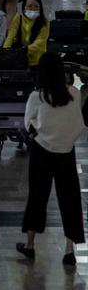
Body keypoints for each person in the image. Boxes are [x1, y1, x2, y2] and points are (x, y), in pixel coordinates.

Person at [17, 52, 86, 267]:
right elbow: (78, 120)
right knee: (70, 199)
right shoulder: (74, 94)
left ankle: (30, 245)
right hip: (67, 151)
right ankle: (69, 249)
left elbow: (28, 124)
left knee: (38, 197)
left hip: (42, 152)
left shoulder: (37, 97)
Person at [5, 0, 50, 68]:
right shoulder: (18, 18)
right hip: (20, 59)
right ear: (24, 8)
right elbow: (10, 37)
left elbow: (39, 42)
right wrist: (5, 51)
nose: (33, 9)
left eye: (36, 6)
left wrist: (22, 51)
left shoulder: (44, 22)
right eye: (30, 6)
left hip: (38, 60)